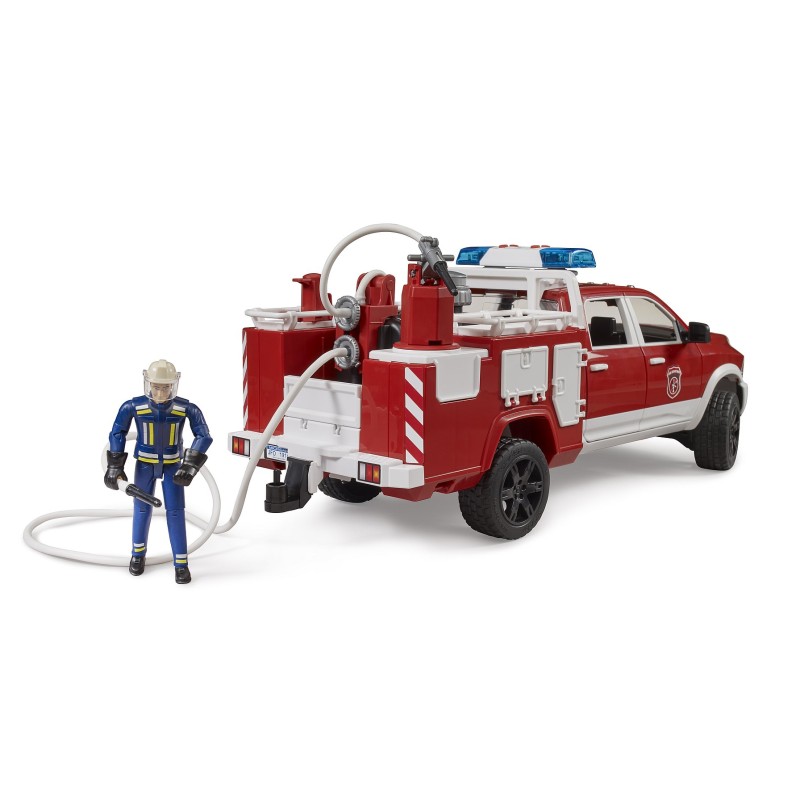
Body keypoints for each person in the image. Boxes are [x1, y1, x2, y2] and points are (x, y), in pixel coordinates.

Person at [104, 360, 212, 584]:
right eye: (156, 387)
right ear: (148, 383)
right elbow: (117, 433)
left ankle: (181, 564)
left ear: (173, 385)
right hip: (144, 465)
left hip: (174, 466)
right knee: (141, 509)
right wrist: (115, 466)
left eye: (165, 387)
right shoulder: (133, 406)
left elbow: (204, 435)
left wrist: (190, 465)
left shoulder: (186, 408)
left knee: (176, 512)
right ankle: (137, 554)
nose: (161, 393)